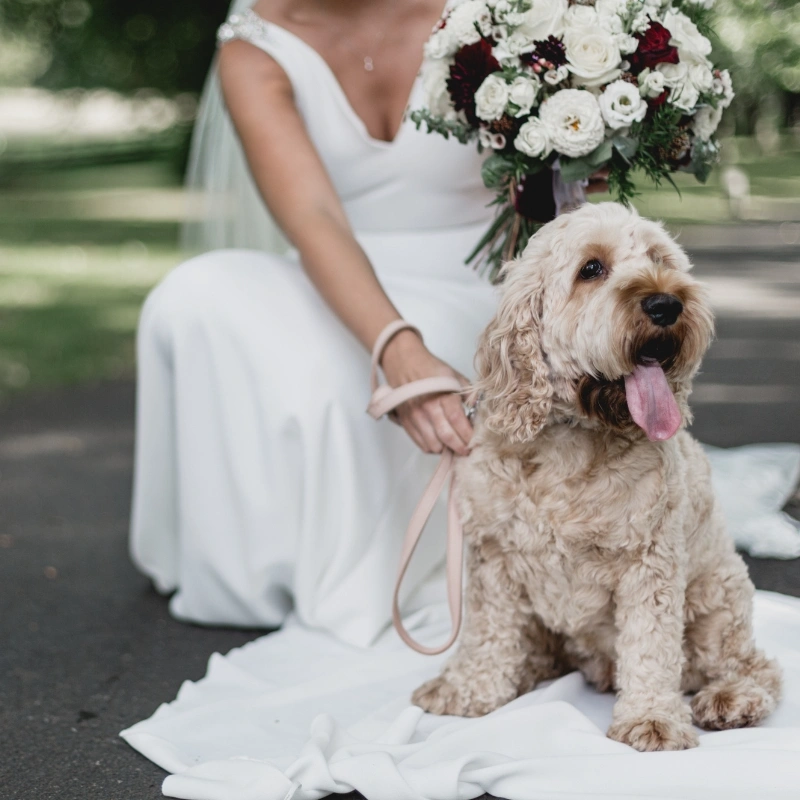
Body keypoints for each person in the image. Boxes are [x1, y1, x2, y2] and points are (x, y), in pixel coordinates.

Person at [129, 0, 608, 643]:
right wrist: (394, 344)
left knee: (373, 365)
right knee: (189, 296)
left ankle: (371, 569)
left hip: (480, 280)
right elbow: (313, 219)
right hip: (334, 270)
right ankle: (246, 561)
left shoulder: (497, 13)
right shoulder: (254, 46)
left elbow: (562, 181)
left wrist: (586, 149)